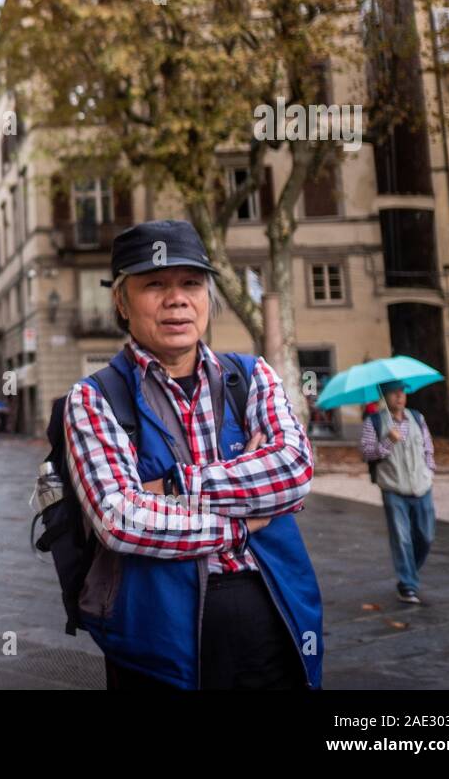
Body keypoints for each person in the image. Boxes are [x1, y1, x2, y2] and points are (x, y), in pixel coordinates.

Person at [63, 220, 323, 689]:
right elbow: (120, 518)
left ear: (208, 296)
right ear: (121, 301)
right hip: (157, 637)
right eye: (154, 285)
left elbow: (294, 470)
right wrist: (243, 519)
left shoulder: (251, 377)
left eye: (191, 283)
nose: (177, 298)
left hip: (276, 614)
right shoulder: (93, 398)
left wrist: (178, 486)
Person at [359, 380, 436, 604]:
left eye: (402, 392)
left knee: (426, 535)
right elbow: (366, 453)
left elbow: (427, 447)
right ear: (385, 396)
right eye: (394, 393)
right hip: (393, 488)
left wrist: (430, 472)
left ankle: (409, 570)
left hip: (422, 486)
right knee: (402, 538)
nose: (399, 397)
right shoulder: (373, 422)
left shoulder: (417, 418)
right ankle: (407, 585)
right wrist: (387, 441)